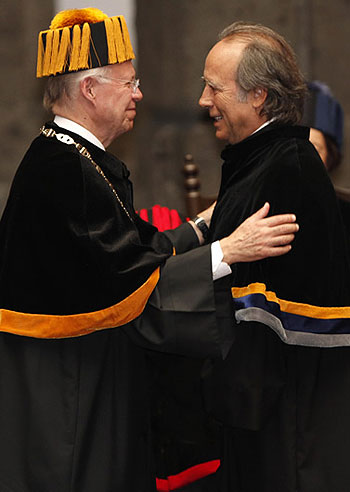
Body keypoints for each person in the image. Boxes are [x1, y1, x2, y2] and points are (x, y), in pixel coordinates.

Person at [0, 9, 298, 492]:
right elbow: (136, 289)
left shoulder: (73, 156)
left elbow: (129, 250)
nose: (139, 93)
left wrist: (202, 226)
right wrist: (228, 250)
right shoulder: (64, 171)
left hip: (84, 369)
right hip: (69, 389)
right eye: (129, 82)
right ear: (91, 91)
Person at [198, 21, 350, 492]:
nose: (203, 101)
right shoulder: (259, 161)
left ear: (258, 95)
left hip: (284, 420)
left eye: (214, 87)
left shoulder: (287, 167)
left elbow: (268, 312)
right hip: (261, 409)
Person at [302, 80, 350, 236]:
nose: (303, 156)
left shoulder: (344, 212)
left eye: (314, 148)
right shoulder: (262, 202)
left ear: (330, 158)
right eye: (296, 146)